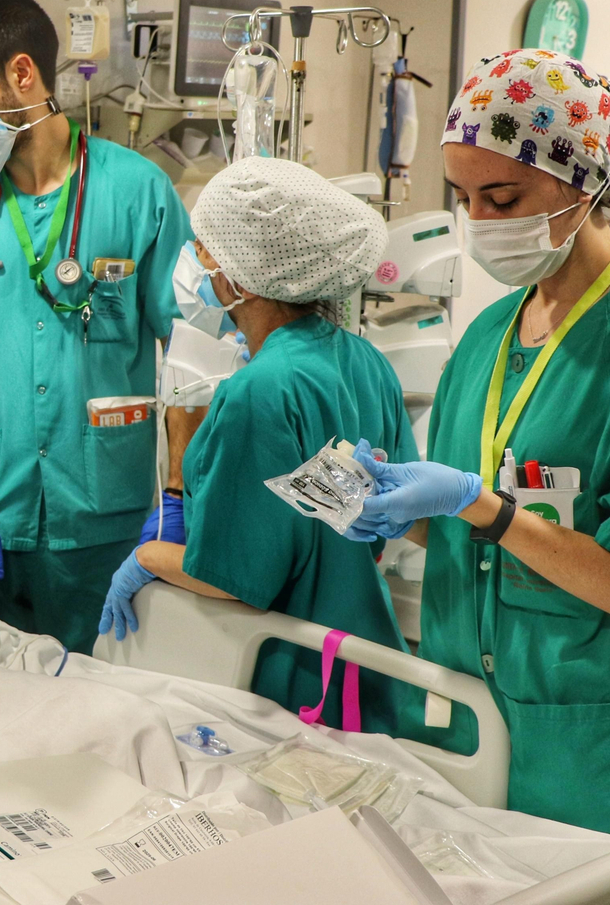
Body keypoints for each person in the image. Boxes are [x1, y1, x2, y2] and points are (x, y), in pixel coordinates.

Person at [348, 49, 610, 843]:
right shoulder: (488, 336)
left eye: (503, 196)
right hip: (472, 724)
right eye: (464, 199)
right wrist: (398, 512)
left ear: (582, 180)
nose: (482, 223)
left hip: (600, 746)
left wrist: (478, 506)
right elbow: (471, 524)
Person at [0, 0, 197, 654]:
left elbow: (189, 353)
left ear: (21, 74)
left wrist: (179, 496)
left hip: (107, 523)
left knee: (104, 722)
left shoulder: (137, 191)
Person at [98, 158, 418, 732]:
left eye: (202, 251)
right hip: (361, 653)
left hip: (285, 680)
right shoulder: (364, 362)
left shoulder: (257, 392)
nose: (193, 265)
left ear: (238, 278)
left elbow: (238, 582)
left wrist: (146, 559)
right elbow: (389, 518)